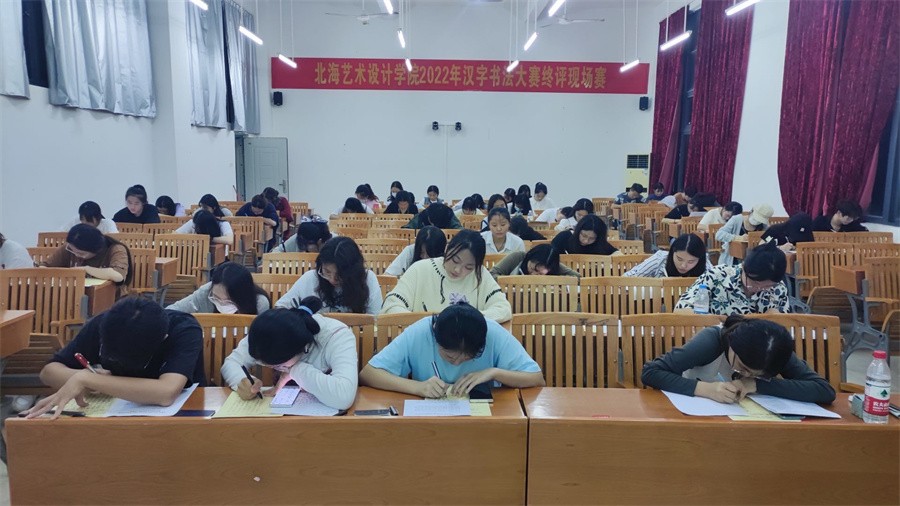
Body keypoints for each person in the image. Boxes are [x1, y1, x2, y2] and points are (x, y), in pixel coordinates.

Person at [24, 297, 205, 419]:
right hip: (111, 415)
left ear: (163, 339)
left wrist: (89, 380)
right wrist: (89, 380)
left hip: (182, 416)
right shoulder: (108, 323)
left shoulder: (183, 329)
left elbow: (166, 393)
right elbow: (48, 372)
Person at [360, 302, 543, 398]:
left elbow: (536, 378)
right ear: (435, 336)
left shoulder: (492, 332)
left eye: (468, 358)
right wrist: (418, 388)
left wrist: (494, 372)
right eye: (449, 356)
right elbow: (368, 374)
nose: (456, 364)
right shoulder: (421, 332)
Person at [641, 315, 835, 404]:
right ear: (733, 344)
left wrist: (757, 384)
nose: (745, 374)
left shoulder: (774, 350)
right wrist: (705, 389)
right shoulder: (713, 341)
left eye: (756, 374)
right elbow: (651, 372)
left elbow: (824, 390)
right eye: (742, 367)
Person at [221, 296, 358, 410]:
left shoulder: (336, 336)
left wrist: (295, 370)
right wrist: (242, 382)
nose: (275, 368)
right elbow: (231, 363)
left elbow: (344, 396)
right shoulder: (265, 332)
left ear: (304, 347)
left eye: (279, 365)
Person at [382, 229, 512, 323]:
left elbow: (503, 309)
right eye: (455, 260)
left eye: (468, 267)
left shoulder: (479, 274)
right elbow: (392, 305)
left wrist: (468, 320)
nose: (458, 270)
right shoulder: (420, 269)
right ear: (447, 249)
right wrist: (424, 323)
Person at [675, 241, 790, 315]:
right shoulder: (717, 276)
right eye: (754, 283)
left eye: (767, 286)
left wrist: (776, 318)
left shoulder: (778, 288)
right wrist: (710, 320)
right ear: (743, 266)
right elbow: (681, 309)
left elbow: (785, 327)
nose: (758, 289)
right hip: (715, 341)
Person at [275, 237, 382, 314]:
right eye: (327, 272)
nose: (332, 280)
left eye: (339, 275)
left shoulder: (367, 279)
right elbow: (280, 308)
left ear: (353, 272)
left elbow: (376, 319)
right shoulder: (311, 278)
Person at [39, 224, 133, 296]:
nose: (76, 255)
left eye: (81, 253)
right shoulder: (70, 248)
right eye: (72, 250)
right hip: (71, 295)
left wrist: (86, 269)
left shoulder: (115, 249)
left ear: (96, 250)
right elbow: (44, 266)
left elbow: (118, 276)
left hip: (109, 298)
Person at [167, 261, 269, 314]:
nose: (221, 304)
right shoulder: (206, 292)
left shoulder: (259, 303)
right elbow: (172, 311)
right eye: (216, 298)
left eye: (229, 301)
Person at [624, 234, 712, 278]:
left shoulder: (707, 267)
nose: (683, 265)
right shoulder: (660, 259)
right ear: (672, 252)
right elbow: (628, 277)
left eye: (691, 262)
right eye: (679, 259)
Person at [490, 244, 579, 279]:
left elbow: (578, 278)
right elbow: (492, 274)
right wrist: (511, 282)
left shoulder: (552, 265)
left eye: (540, 273)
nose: (533, 275)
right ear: (529, 257)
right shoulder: (518, 257)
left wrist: (557, 281)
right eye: (532, 269)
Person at [551, 215, 619, 255]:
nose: (586, 241)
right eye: (584, 235)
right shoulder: (564, 237)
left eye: (592, 238)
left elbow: (617, 254)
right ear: (578, 230)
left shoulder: (599, 243)